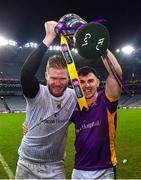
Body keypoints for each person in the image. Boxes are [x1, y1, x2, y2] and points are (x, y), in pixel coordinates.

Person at [15, 21, 77, 179]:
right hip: (26, 163)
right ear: (46, 76)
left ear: (68, 78)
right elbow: (26, 75)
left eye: (62, 78)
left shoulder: (73, 96)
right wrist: (49, 37)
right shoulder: (37, 93)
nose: (57, 83)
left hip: (55, 165)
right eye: (53, 78)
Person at [71, 51, 122, 179]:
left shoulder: (106, 100)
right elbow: (56, 122)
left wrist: (100, 47)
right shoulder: (73, 105)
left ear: (98, 82)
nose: (86, 85)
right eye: (81, 82)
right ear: (77, 85)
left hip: (104, 170)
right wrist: (29, 125)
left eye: (90, 81)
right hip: (79, 169)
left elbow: (116, 73)